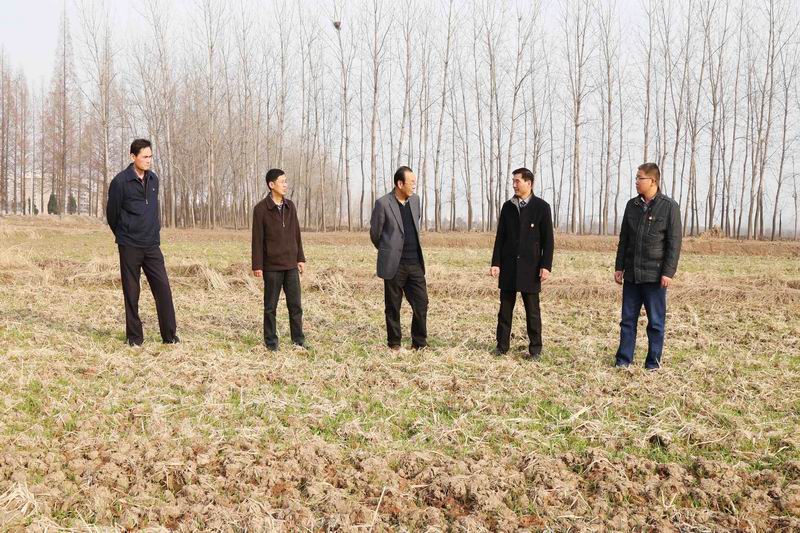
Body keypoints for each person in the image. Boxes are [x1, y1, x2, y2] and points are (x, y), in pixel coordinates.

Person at [106, 139, 179, 346]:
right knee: (131, 292)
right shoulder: (120, 182)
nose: (149, 160)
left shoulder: (154, 179)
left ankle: (170, 336)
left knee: (163, 288)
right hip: (130, 245)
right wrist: (124, 233)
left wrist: (154, 231)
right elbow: (112, 215)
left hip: (152, 244)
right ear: (133, 157)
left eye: (151, 156)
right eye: (145, 157)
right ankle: (135, 338)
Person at [614, 162, 682, 370]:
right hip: (632, 276)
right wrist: (619, 267)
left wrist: (668, 272)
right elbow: (624, 239)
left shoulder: (669, 207)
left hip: (655, 277)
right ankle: (623, 360)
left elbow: (674, 243)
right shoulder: (632, 205)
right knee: (627, 321)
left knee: (656, 323)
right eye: (636, 177)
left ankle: (653, 363)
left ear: (652, 181)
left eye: (640, 178)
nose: (636, 181)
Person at [490, 167, 554, 360]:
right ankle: (502, 347)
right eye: (513, 181)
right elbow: (500, 237)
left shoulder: (542, 207)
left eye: (517, 181)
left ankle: (535, 349)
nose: (514, 185)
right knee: (505, 310)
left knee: (532, 311)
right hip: (509, 266)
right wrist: (496, 262)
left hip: (531, 268)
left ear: (529, 183)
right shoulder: (508, 207)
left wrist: (545, 266)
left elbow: (548, 241)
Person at [369, 166, 428, 350]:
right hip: (394, 264)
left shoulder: (416, 201)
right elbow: (375, 234)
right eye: (411, 183)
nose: (414, 186)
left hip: (415, 263)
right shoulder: (383, 203)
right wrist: (388, 250)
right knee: (393, 306)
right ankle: (394, 344)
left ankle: (419, 343)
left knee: (421, 303)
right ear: (400, 184)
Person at [252, 168, 306, 351]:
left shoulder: (290, 206)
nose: (286, 185)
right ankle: (271, 343)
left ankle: (298, 340)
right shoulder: (260, 209)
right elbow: (257, 239)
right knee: (270, 307)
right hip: (272, 267)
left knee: (295, 306)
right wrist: (257, 265)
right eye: (282, 181)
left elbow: (296, 234)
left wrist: (300, 258)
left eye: (286, 181)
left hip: (291, 265)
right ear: (271, 184)